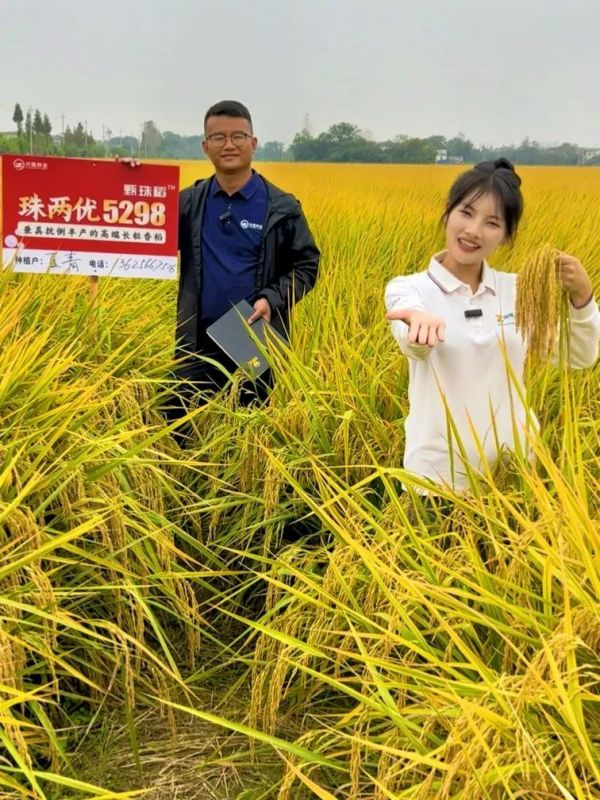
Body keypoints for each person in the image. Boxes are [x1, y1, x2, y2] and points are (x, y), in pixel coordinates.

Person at [384, 158, 600, 493]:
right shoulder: (410, 289)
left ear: (506, 235)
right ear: (448, 211)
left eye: (492, 222)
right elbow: (410, 338)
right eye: (466, 213)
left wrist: (583, 299)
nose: (473, 230)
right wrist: (418, 327)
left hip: (514, 475)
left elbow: (579, 357)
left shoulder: (519, 292)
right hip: (437, 479)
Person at [169, 99, 320, 431]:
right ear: (205, 146)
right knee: (177, 420)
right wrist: (125, 177)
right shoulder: (189, 202)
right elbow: (142, 228)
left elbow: (306, 265)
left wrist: (272, 298)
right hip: (196, 336)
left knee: (249, 428)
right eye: (218, 137)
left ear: (253, 143)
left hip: (250, 335)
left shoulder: (280, 206)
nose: (228, 145)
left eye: (238, 136)